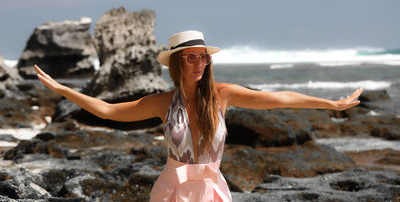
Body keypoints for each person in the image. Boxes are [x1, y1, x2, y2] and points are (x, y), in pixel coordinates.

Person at [34, 30, 363, 201]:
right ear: (176, 63)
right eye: (190, 58)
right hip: (171, 191)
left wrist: (331, 105)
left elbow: (280, 99)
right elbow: (108, 110)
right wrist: (65, 90)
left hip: (211, 191)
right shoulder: (163, 102)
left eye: (202, 57)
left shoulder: (223, 94)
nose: (198, 63)